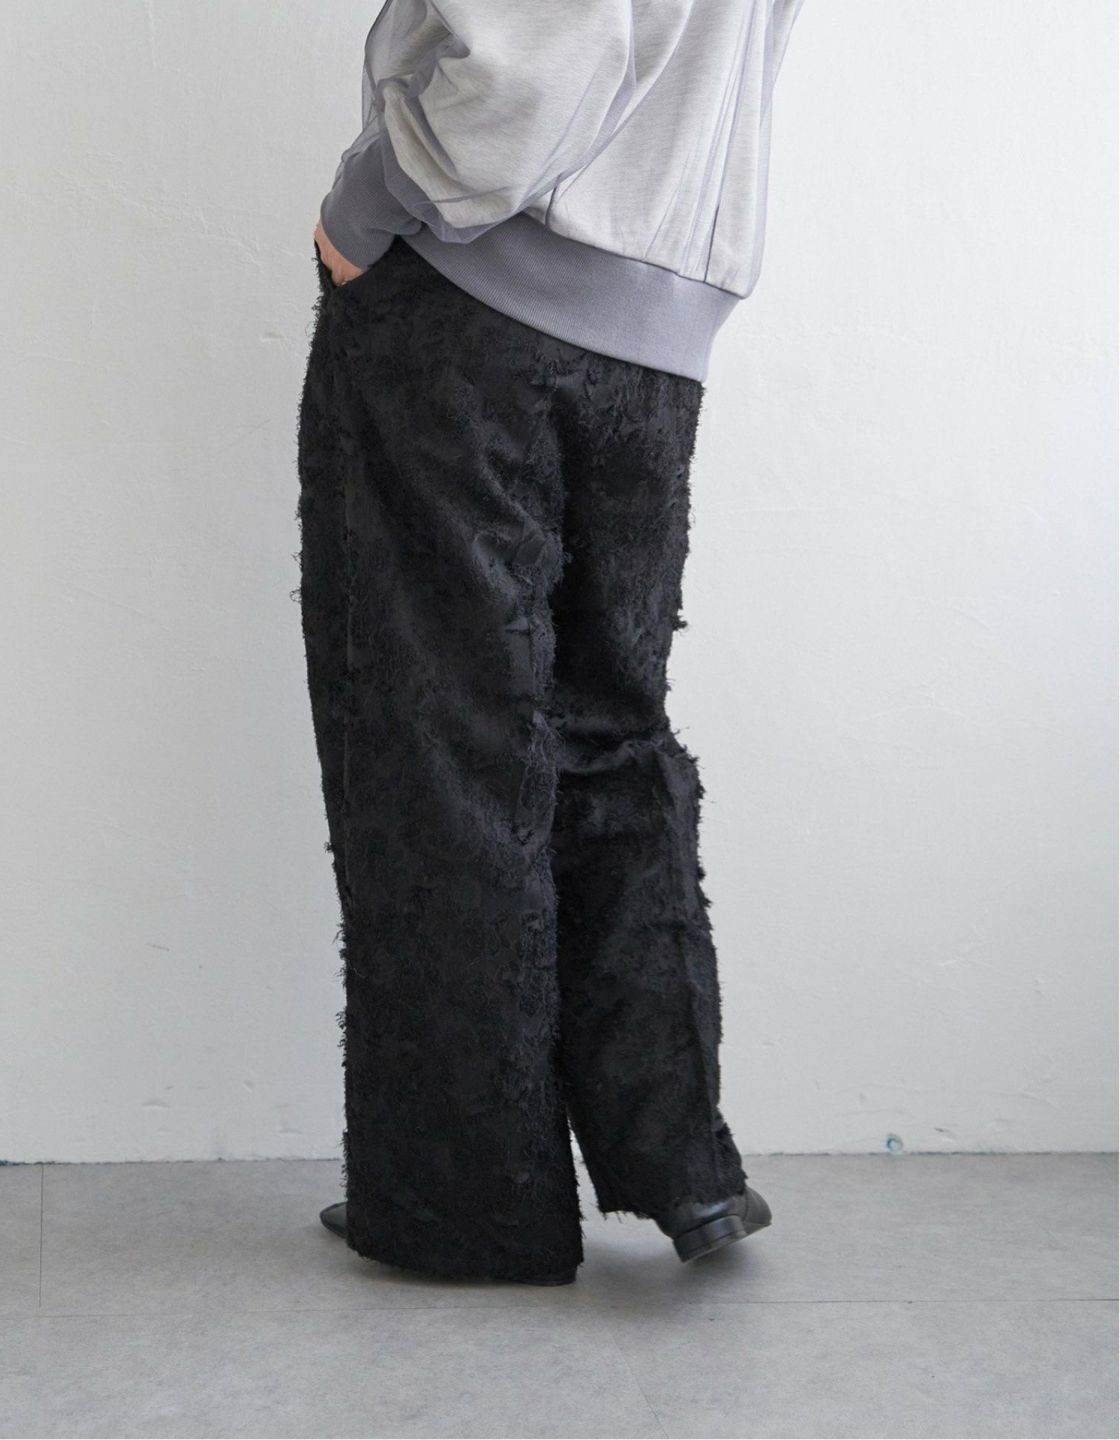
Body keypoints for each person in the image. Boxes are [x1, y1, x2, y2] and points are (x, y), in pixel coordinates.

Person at [296, 0, 805, 1286]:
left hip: (470, 306)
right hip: (657, 330)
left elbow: (537, 61)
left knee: (437, 750)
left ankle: (463, 1207)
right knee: (607, 730)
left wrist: (364, 208)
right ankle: (681, 1160)